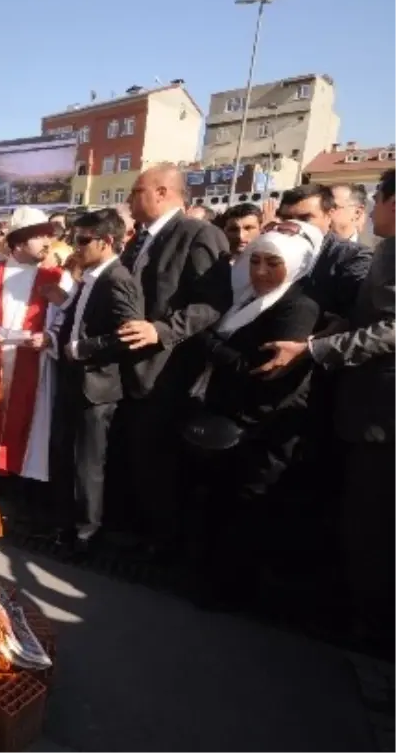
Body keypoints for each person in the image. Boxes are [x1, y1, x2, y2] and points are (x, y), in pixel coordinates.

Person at [256, 169, 396, 653]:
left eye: (378, 196)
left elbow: (390, 329)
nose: (372, 205)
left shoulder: (366, 255)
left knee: (368, 523)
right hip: (346, 409)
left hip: (376, 414)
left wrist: (317, 346)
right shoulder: (385, 252)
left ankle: (368, 627)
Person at [183, 228, 319, 607]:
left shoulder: (297, 307)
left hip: (263, 428)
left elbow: (264, 371)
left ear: (293, 267)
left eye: (273, 263)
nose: (260, 272)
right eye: (255, 261)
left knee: (244, 514)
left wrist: (208, 342)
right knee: (218, 508)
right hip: (227, 421)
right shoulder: (244, 299)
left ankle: (231, 593)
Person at [116, 163, 230, 560]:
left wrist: (161, 330)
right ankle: (136, 531)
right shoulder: (137, 240)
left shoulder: (199, 234)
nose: (129, 200)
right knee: (135, 457)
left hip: (167, 372)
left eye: (136, 191)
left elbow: (213, 303)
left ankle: (163, 545)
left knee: (160, 463)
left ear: (162, 192)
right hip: (127, 370)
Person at [49, 209, 143, 551]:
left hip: (97, 386)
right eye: (75, 238)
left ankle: (87, 533)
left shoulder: (117, 278)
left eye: (84, 240)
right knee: (63, 454)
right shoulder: (89, 276)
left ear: (106, 242)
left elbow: (129, 334)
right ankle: (64, 524)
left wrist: (83, 348)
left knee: (88, 463)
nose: (76, 246)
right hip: (72, 379)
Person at [0, 207, 67, 496]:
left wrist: (48, 338)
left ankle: (24, 490)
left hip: (33, 362)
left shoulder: (56, 277)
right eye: (40, 236)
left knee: (28, 427)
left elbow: (65, 320)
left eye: (49, 236)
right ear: (19, 242)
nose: (47, 242)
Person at [276, 183, 371, 324]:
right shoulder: (271, 250)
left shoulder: (354, 257)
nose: (294, 225)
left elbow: (357, 316)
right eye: (287, 219)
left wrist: (317, 343)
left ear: (329, 216)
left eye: (305, 219)